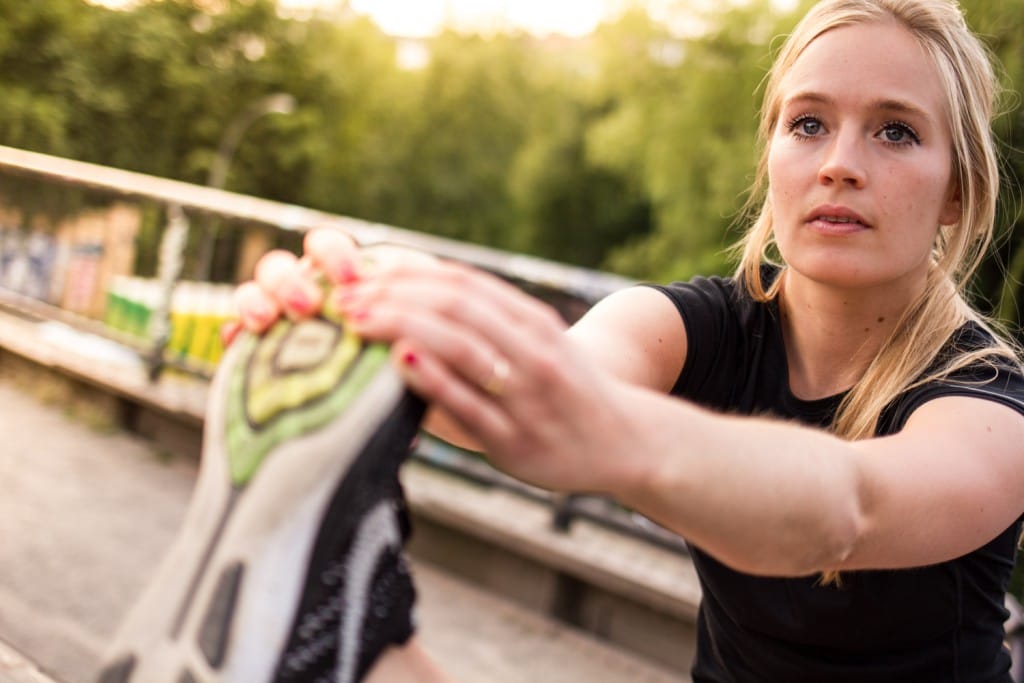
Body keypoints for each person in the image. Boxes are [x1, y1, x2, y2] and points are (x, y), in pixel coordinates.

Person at [229, 0, 1024, 680]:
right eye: (809, 123)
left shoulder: (991, 406)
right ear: (771, 155)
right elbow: (529, 388)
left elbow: (845, 509)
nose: (840, 164)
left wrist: (603, 434)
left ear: (957, 191)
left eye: (895, 132)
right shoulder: (700, 327)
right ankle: (347, 619)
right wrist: (360, 301)